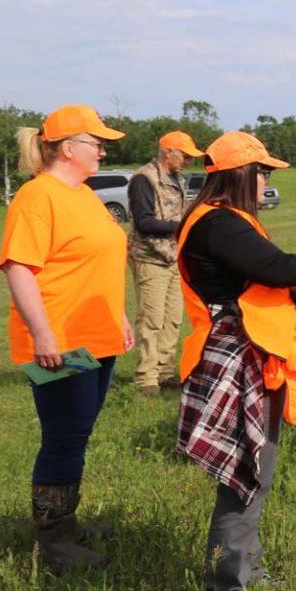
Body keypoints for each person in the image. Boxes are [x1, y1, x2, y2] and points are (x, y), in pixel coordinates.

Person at [174, 131, 296, 591]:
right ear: (242, 174)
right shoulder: (217, 223)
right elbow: (276, 269)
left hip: (251, 353)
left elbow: (270, 275)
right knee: (243, 476)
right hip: (234, 356)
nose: (267, 180)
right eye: (264, 172)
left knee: (257, 471)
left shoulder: (226, 220)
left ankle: (247, 570)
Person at [0, 104, 132, 572]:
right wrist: (42, 334)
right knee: (64, 436)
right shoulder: (38, 197)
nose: (102, 149)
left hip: (96, 338)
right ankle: (54, 542)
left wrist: (118, 316)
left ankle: (65, 522)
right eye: (96, 143)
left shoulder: (84, 194)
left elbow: (93, 261)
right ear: (67, 148)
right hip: (62, 343)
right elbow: (19, 268)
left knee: (78, 431)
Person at [128, 130, 204, 397]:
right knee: (152, 319)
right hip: (150, 258)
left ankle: (165, 372)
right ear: (168, 152)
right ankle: (146, 379)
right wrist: (182, 226)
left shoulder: (177, 179)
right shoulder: (143, 179)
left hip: (173, 258)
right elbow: (144, 222)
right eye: (184, 156)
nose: (187, 162)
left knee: (172, 319)